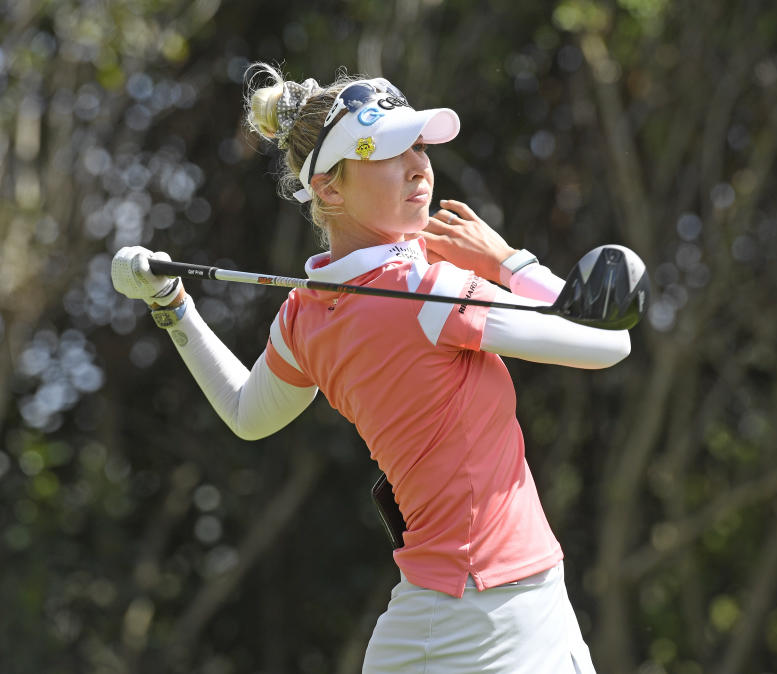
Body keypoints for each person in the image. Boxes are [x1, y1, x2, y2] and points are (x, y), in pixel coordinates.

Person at [111, 63, 632, 673]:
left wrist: (172, 306)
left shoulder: (305, 317)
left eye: (418, 146)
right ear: (329, 190)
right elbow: (607, 341)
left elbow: (246, 413)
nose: (419, 167)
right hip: (497, 612)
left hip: (451, 610)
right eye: (390, 153)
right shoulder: (426, 288)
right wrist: (509, 260)